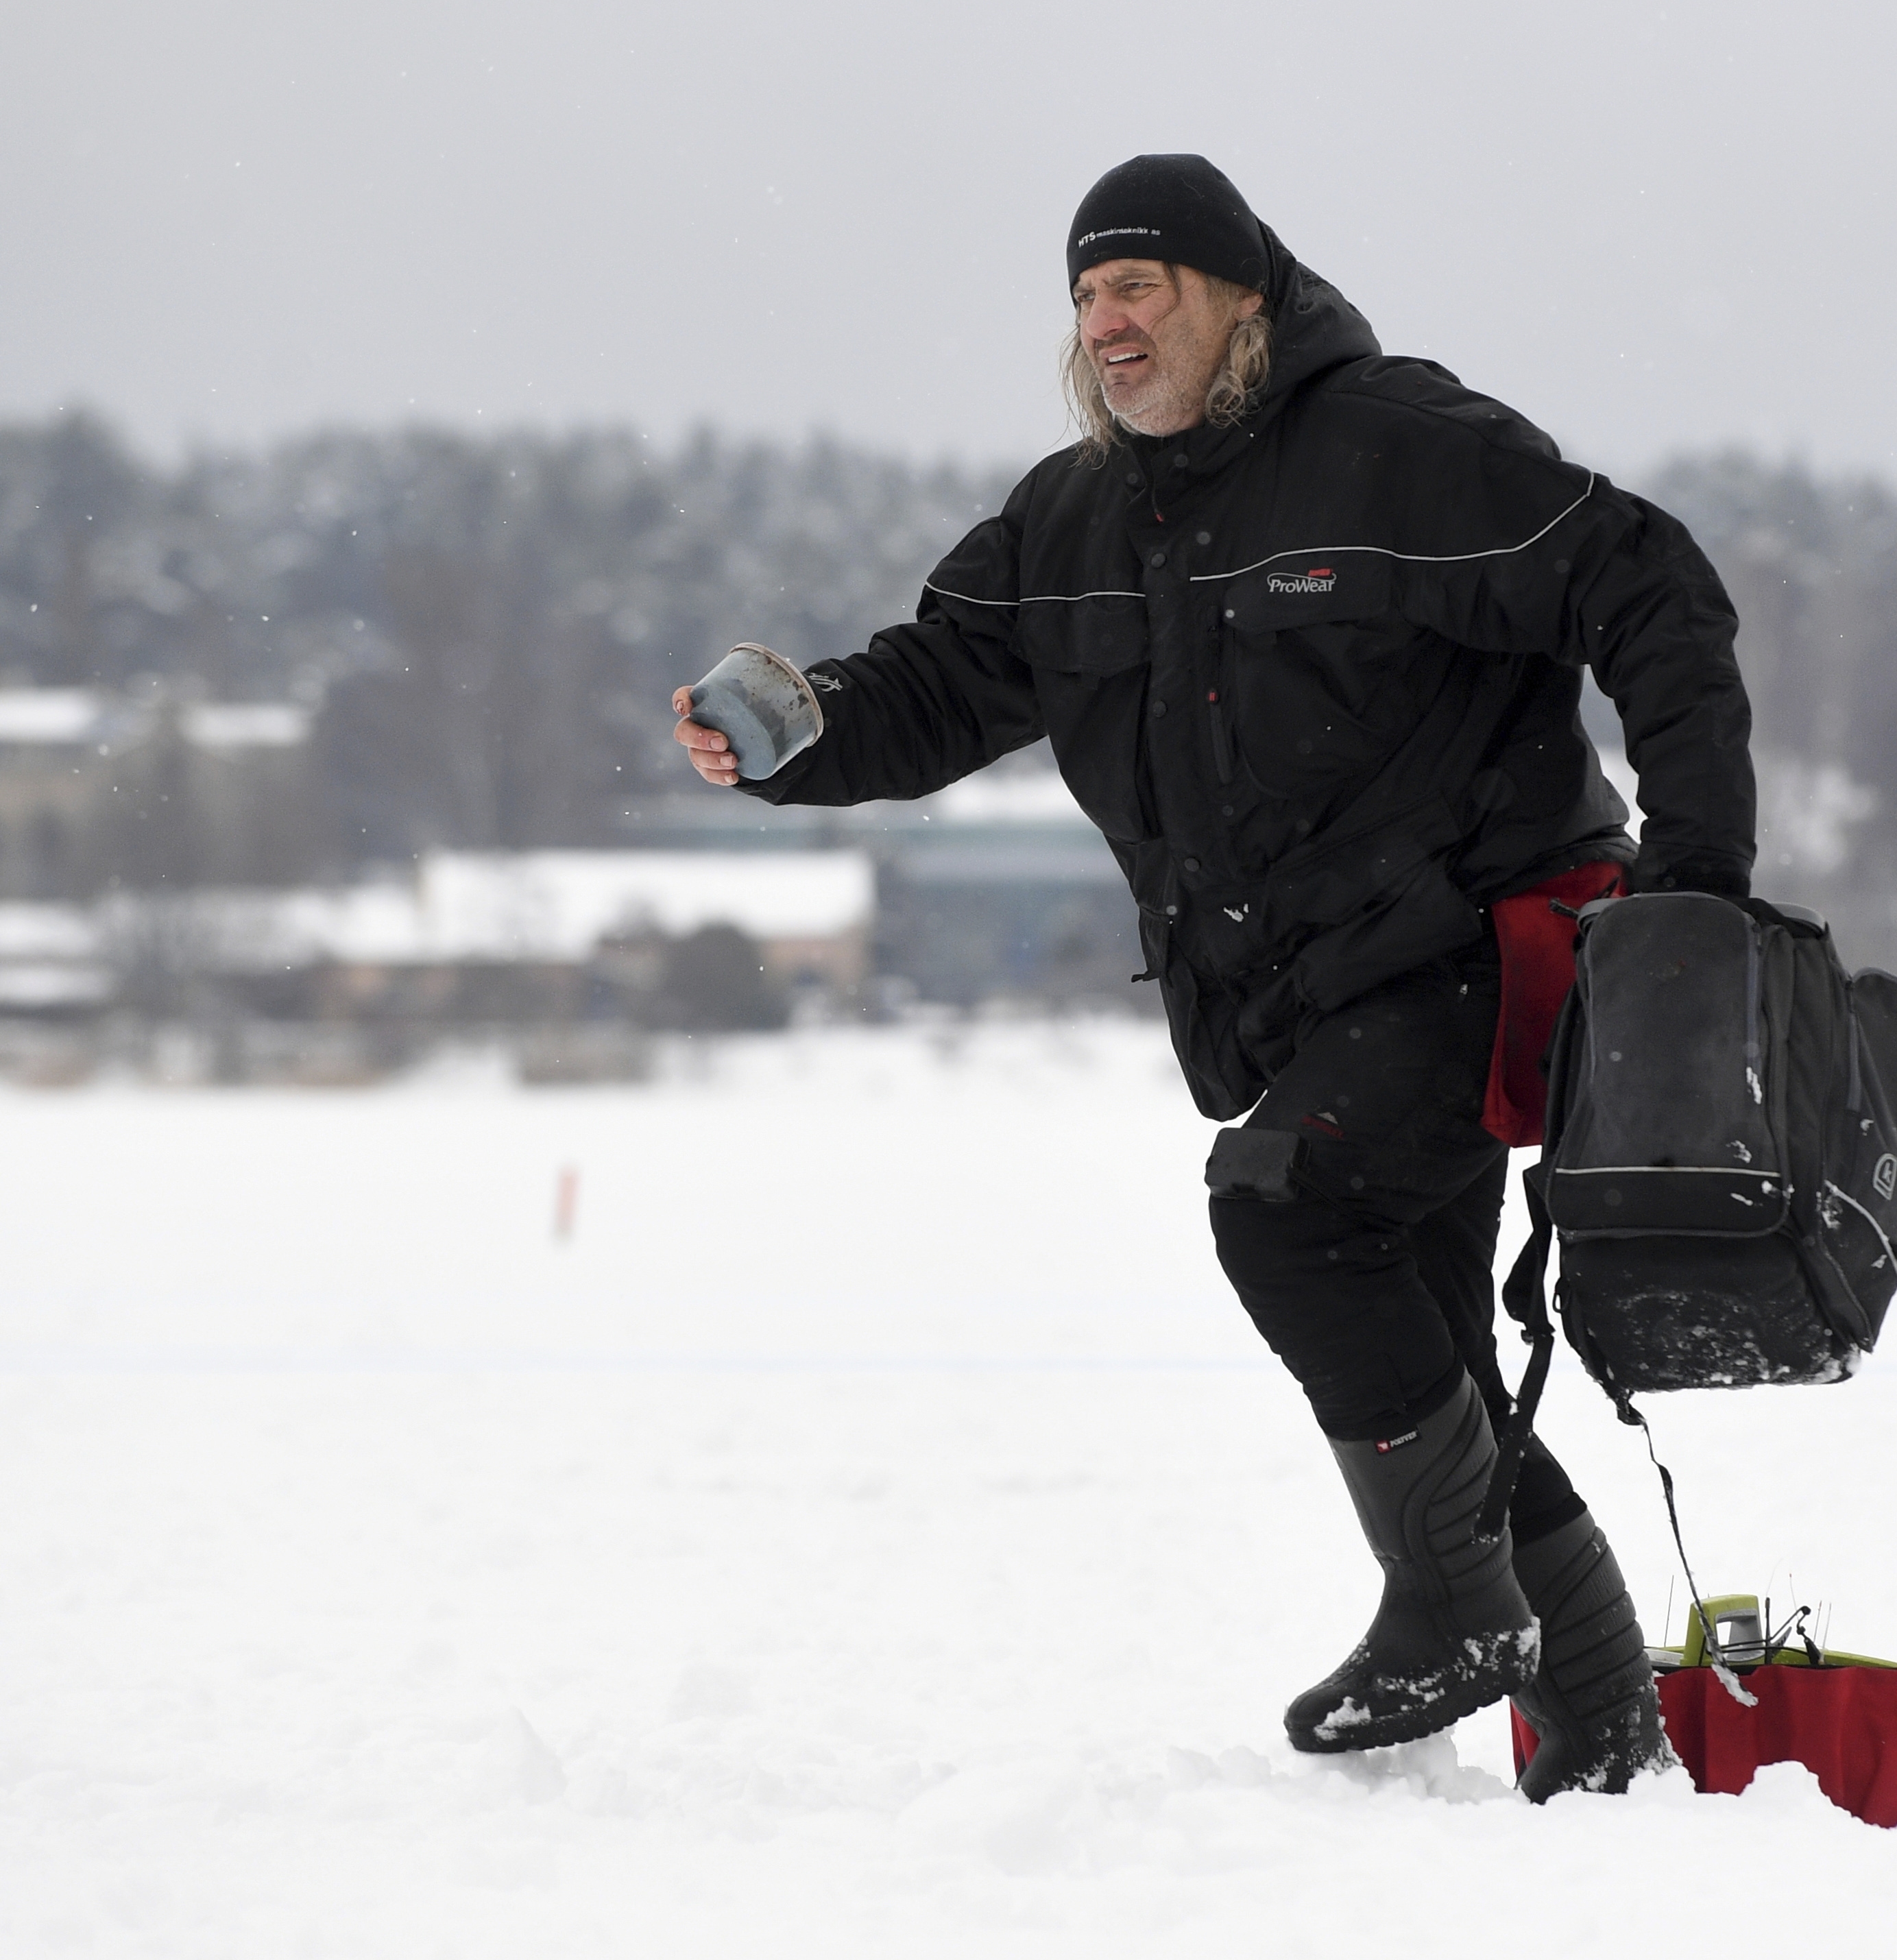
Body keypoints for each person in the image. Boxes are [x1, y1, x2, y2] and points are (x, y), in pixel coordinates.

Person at [671, 154, 1755, 1800]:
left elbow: (1647, 582)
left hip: (1484, 949)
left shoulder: (1400, 446)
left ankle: (1460, 1610)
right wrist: (792, 733)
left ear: (1239, 295)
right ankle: (1605, 1744)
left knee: (1284, 1203)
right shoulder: (1073, 516)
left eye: (1142, 287)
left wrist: (1694, 874)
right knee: (1438, 1372)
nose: (1107, 324)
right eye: (1087, 296)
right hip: (1307, 1003)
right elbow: (936, 683)